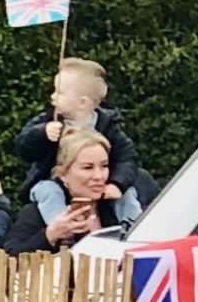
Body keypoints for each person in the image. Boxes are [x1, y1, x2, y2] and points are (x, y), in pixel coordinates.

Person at [12, 58, 142, 222]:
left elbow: (127, 158)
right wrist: (41, 133)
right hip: (53, 182)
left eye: (59, 93)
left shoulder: (108, 126)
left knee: (127, 194)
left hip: (94, 185)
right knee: (49, 192)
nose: (52, 97)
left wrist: (117, 184)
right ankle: (64, 227)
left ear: (82, 102)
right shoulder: (48, 119)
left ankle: (134, 227)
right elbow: (22, 147)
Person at [0, 126, 127, 253]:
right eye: (87, 168)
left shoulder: (114, 207)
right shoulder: (37, 213)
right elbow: (10, 257)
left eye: (104, 166)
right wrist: (49, 236)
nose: (98, 176)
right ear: (63, 173)